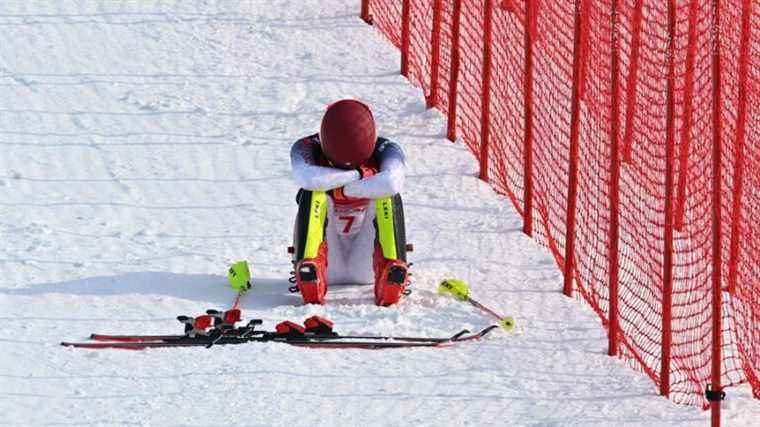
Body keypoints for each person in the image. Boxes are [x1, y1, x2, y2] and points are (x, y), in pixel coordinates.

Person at [290, 99, 409, 306]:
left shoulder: (387, 149)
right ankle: (310, 269)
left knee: (387, 194)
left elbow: (392, 181)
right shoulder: (306, 146)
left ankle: (390, 269)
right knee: (313, 192)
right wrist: (360, 175)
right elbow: (308, 177)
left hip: (366, 260)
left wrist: (338, 183)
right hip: (328, 259)